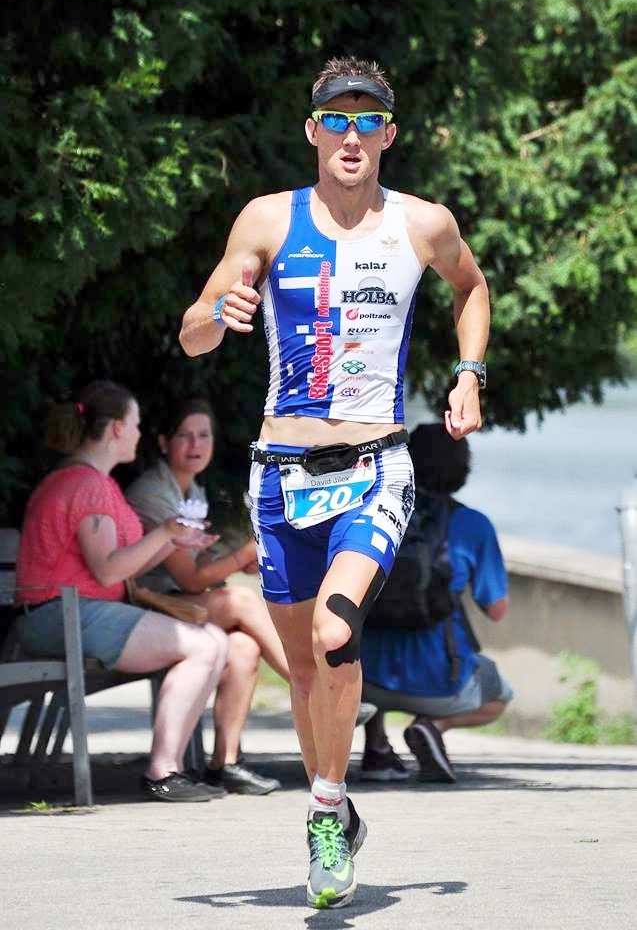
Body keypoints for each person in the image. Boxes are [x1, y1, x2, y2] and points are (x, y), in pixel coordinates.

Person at [179, 55, 490, 909]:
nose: (351, 136)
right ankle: (337, 808)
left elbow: (471, 287)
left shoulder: (421, 224)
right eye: (336, 120)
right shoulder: (267, 221)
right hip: (279, 480)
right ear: (312, 131)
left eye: (367, 121)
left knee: (333, 630)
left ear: (387, 135)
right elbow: (192, 334)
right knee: (309, 676)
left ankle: (321, 809)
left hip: (375, 468)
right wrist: (219, 314)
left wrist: (467, 374)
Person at [14, 380, 230, 803]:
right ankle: (164, 770)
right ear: (115, 428)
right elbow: (109, 569)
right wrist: (166, 530)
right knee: (206, 647)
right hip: (62, 616)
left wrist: (173, 542)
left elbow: (120, 566)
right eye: (134, 424)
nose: (137, 432)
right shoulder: (88, 485)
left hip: (76, 613)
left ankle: (172, 768)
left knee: (214, 643)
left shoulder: (96, 482)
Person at [125, 396, 288, 796]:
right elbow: (193, 579)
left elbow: (198, 560)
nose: (195, 445)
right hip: (147, 606)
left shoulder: (189, 488)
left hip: (175, 601)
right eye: (184, 436)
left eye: (204, 435)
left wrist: (234, 560)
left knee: (245, 647)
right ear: (163, 442)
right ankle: (312, 684)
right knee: (242, 602)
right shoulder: (154, 493)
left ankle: (226, 763)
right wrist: (243, 554)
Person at [359, 423, 511, 784]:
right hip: (440, 685)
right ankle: (433, 725)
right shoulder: (473, 525)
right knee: (500, 694)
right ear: (462, 469)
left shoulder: (372, 515)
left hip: (361, 682)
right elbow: (496, 609)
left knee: (371, 624)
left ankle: (377, 748)